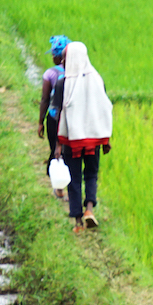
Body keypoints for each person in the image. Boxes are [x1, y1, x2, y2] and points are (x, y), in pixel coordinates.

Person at [54, 41, 113, 231]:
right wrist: (106, 139)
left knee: (74, 177)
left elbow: (57, 116)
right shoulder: (98, 80)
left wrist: (58, 145)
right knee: (91, 174)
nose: (62, 61)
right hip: (94, 137)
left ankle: (78, 221)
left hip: (72, 139)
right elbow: (104, 109)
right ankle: (89, 209)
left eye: (65, 57)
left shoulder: (63, 83)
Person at [38, 35, 68, 190]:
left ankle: (58, 184)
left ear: (57, 56)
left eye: (52, 54)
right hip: (70, 117)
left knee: (54, 148)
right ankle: (63, 182)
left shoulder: (50, 74)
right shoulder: (75, 72)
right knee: (66, 150)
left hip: (54, 117)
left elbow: (44, 99)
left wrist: (40, 122)